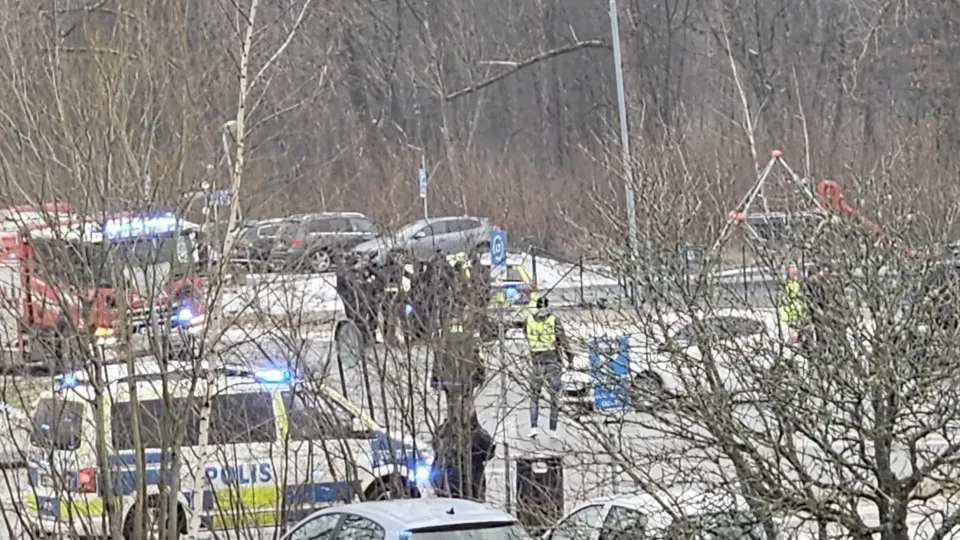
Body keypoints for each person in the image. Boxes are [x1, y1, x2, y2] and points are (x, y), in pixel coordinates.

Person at [524, 296, 570, 439]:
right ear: (548, 305)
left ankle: (533, 427)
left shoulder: (529, 321)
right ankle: (553, 430)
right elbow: (563, 341)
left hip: (536, 363)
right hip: (552, 362)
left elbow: (526, 334)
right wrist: (570, 358)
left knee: (534, 397)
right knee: (554, 398)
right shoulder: (553, 320)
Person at [376, 253, 405, 346]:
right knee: (393, 319)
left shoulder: (384, 270)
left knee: (388, 319)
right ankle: (391, 339)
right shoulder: (396, 270)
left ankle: (388, 338)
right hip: (393, 298)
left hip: (386, 299)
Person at [469, 411, 495, 501]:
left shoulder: (444, 430)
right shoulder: (480, 434)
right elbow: (489, 453)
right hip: (475, 475)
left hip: (475, 474)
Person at [777, 263, 807, 338]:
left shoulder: (801, 285)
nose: (794, 270)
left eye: (795, 267)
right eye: (792, 268)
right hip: (790, 321)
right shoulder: (785, 286)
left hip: (802, 320)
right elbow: (782, 303)